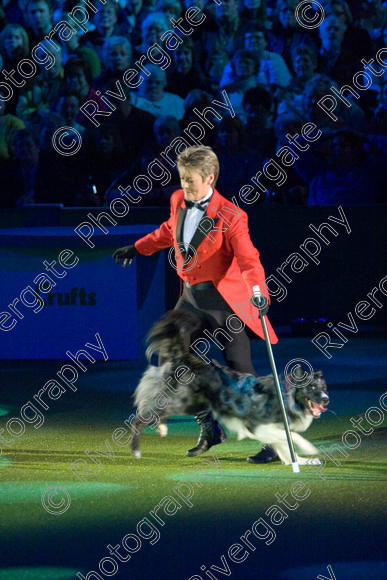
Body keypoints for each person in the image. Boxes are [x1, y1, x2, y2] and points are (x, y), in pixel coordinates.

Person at [112, 145, 280, 464]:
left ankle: (273, 441)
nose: (184, 186)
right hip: (191, 297)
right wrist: (138, 248)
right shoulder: (178, 200)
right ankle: (209, 426)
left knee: (240, 372)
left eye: (190, 180)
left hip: (223, 302)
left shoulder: (232, 216)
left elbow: (248, 259)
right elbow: (168, 232)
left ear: (210, 178)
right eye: (182, 179)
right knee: (170, 358)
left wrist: (259, 291)